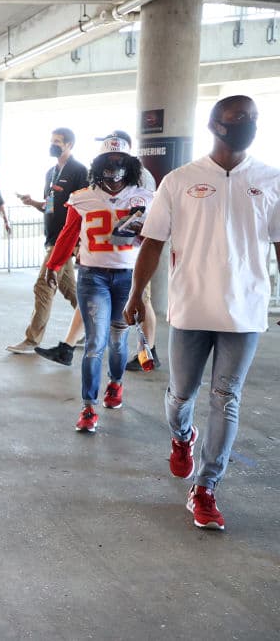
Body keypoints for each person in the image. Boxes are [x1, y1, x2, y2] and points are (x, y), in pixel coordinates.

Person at [124, 95, 280, 530]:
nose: (246, 124)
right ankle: (182, 436)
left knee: (226, 398)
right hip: (191, 307)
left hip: (245, 311)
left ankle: (206, 487)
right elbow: (152, 241)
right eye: (236, 119)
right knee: (180, 396)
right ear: (215, 125)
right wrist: (137, 295)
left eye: (252, 118)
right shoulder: (179, 180)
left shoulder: (271, 179)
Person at [41, 134, 153, 432]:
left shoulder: (143, 197)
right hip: (92, 276)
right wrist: (54, 264)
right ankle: (88, 407)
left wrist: (142, 233)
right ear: (99, 164)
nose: (114, 167)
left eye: (119, 161)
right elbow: (67, 234)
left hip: (127, 277)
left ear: (129, 165)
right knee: (94, 344)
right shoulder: (82, 197)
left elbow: (154, 239)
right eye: (108, 160)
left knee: (118, 341)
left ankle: (115, 384)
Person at [35, 130, 162, 368]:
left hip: (131, 260)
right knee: (89, 301)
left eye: (117, 154)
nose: (113, 164)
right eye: (108, 154)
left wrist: (141, 232)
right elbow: (73, 228)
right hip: (100, 259)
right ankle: (67, 347)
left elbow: (153, 229)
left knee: (141, 302)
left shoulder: (142, 180)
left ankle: (147, 352)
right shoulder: (87, 192)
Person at [6, 128, 87, 353]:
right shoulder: (50, 173)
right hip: (51, 237)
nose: (53, 145)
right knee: (70, 289)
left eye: (58, 142)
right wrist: (32, 202)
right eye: (51, 141)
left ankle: (32, 340)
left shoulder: (79, 171)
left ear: (69, 145)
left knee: (43, 285)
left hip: (65, 239)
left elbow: (83, 207)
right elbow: (49, 206)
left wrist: (79, 242)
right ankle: (93, 328)